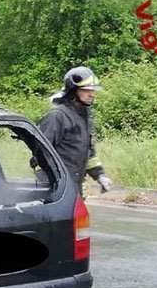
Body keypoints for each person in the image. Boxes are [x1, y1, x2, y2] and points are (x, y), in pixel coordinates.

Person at [38, 66, 113, 196]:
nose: (91, 94)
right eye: (86, 90)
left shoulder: (85, 116)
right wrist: (60, 181)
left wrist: (99, 175)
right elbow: (42, 152)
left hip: (74, 186)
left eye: (92, 90)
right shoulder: (57, 116)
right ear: (73, 91)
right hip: (57, 188)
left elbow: (89, 153)